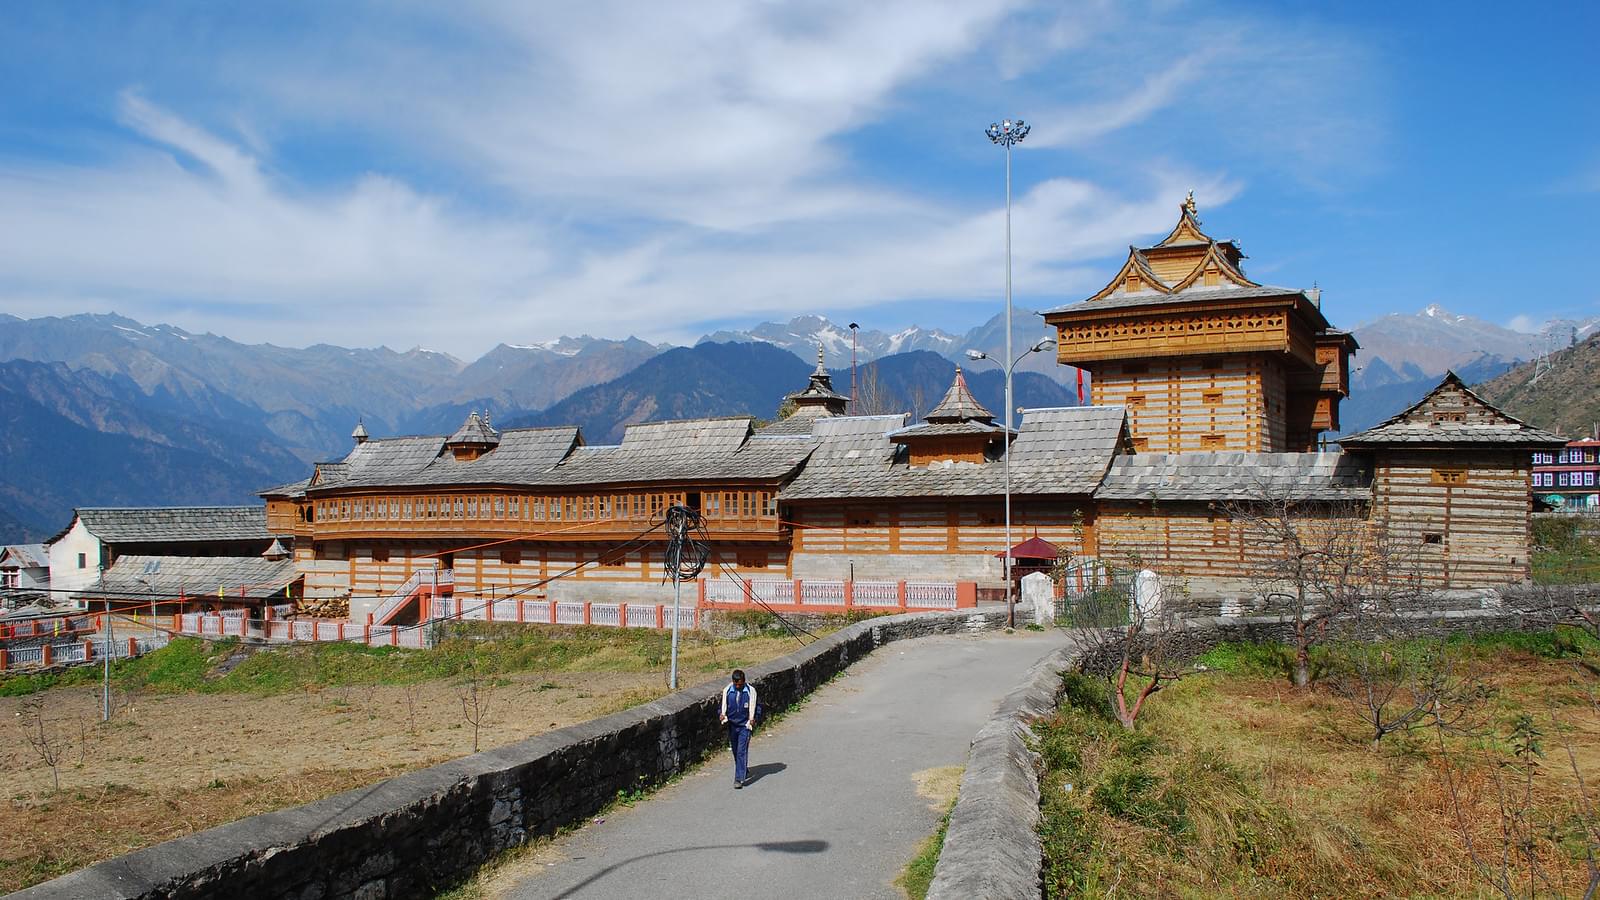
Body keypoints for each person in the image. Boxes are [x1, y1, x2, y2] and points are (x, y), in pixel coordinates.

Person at [719, 669, 757, 788]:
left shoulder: (750, 692)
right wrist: (721, 714)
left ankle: (739, 778)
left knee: (741, 750)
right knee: (735, 750)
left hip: (745, 726)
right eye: (736, 684)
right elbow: (721, 707)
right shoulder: (728, 692)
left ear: (744, 682)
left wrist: (754, 718)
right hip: (732, 725)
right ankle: (743, 769)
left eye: (740, 684)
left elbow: (757, 707)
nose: (738, 686)